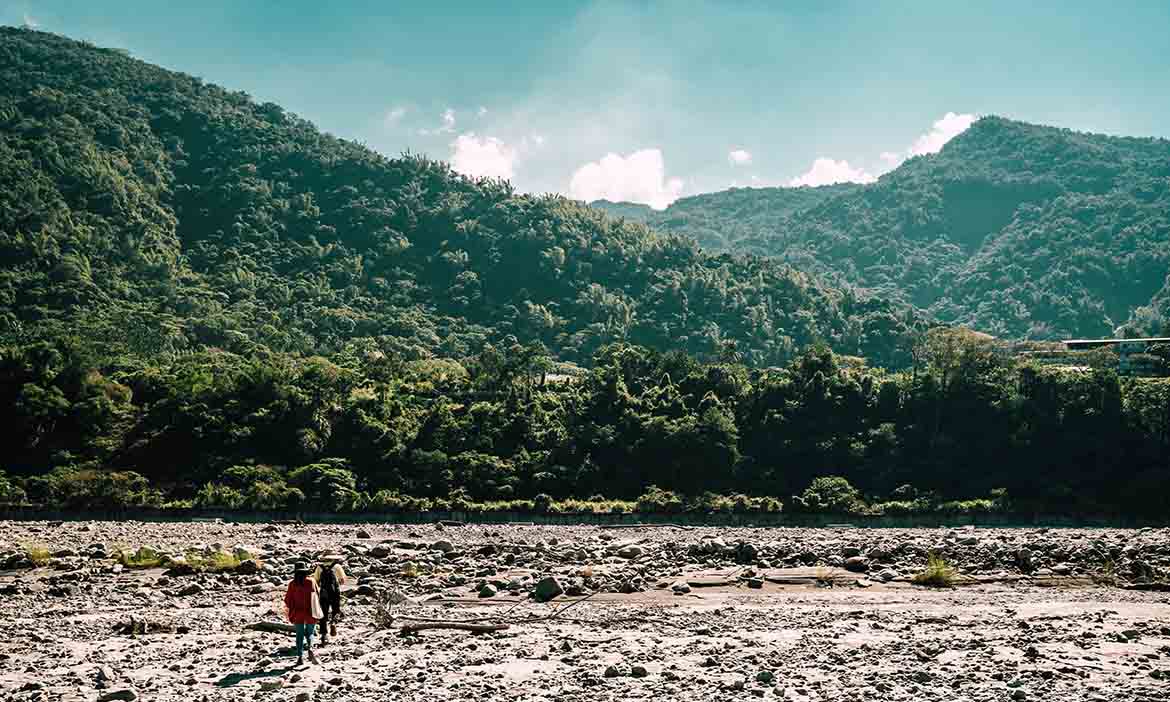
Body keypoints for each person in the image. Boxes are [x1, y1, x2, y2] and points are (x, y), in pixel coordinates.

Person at [284, 562, 319, 666]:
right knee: (310, 633)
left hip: (297, 613)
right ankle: (311, 649)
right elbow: (317, 594)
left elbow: (287, 600)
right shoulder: (311, 581)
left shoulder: (292, 584)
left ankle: (300, 657)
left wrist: (292, 609)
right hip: (310, 612)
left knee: (299, 635)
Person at [317, 561, 346, 646]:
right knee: (336, 610)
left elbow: (316, 581)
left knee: (323, 614)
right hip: (335, 593)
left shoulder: (319, 567)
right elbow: (342, 581)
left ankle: (324, 635)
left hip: (323, 593)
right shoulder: (337, 567)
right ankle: (333, 622)